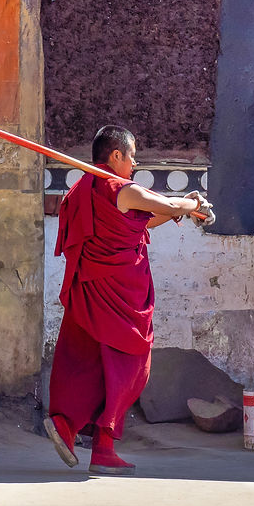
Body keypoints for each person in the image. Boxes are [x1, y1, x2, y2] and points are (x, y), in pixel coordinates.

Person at [44, 125, 213, 475]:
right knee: (131, 365)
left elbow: (145, 222)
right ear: (116, 155)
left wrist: (185, 211)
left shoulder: (79, 190)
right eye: (132, 155)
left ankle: (67, 426)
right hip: (121, 297)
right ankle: (100, 445)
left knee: (86, 363)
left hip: (88, 292)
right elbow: (163, 203)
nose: (134, 163)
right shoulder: (120, 188)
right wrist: (193, 201)